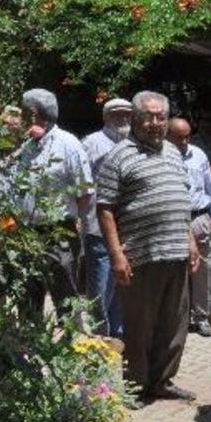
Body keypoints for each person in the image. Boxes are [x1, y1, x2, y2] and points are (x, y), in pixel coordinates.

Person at [95, 91, 201, 403]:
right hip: (139, 255)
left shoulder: (172, 152)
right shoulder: (119, 156)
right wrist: (116, 254)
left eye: (160, 116)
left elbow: (181, 202)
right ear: (135, 118)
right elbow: (105, 209)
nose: (154, 123)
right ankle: (134, 386)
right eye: (148, 116)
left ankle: (162, 381)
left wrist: (191, 241)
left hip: (176, 253)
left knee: (174, 322)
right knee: (139, 326)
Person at [14, 89, 93, 321]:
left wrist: (70, 221)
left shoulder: (68, 144)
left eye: (24, 112)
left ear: (36, 113)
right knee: (28, 296)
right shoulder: (26, 145)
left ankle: (72, 348)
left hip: (59, 233)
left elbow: (84, 192)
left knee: (66, 297)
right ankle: (30, 349)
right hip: (26, 234)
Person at [81, 98, 133, 337]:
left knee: (122, 285)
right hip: (97, 225)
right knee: (101, 287)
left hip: (128, 227)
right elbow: (80, 184)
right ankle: (98, 338)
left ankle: (118, 335)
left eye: (126, 114)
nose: (122, 118)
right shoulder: (91, 143)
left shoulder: (134, 143)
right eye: (116, 114)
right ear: (105, 117)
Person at [168, 117, 211, 338]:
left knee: (204, 269)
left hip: (200, 217)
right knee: (175, 269)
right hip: (173, 219)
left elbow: (210, 184)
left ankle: (203, 317)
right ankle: (178, 317)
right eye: (179, 137)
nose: (184, 141)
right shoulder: (160, 155)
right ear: (167, 135)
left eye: (187, 136)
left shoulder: (198, 154)